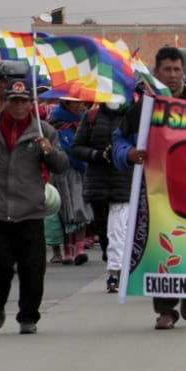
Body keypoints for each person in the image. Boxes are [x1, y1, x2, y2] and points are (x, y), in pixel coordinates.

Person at [118, 48, 186, 329]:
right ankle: (164, 309)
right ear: (156, 72)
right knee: (160, 246)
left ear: (183, 72)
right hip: (156, 193)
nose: (172, 76)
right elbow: (120, 139)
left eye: (177, 70)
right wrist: (129, 154)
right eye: (166, 70)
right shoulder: (144, 108)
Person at [0, 78, 69, 334]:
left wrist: (49, 152)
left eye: (23, 101)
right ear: (5, 101)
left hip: (30, 210)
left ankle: (28, 316)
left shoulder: (43, 131)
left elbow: (62, 166)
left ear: (30, 103)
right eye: (13, 100)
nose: (18, 106)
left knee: (33, 268)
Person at [71, 95, 133, 291]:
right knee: (105, 231)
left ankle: (115, 272)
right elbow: (77, 148)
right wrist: (98, 155)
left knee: (118, 229)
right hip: (98, 183)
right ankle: (113, 260)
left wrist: (124, 153)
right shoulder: (91, 116)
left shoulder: (134, 116)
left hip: (124, 181)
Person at [46, 98, 92, 265]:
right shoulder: (54, 121)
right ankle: (66, 248)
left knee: (80, 207)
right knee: (63, 210)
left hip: (80, 170)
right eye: (76, 103)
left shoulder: (86, 120)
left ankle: (79, 247)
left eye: (82, 102)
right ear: (66, 103)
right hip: (60, 171)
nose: (80, 105)